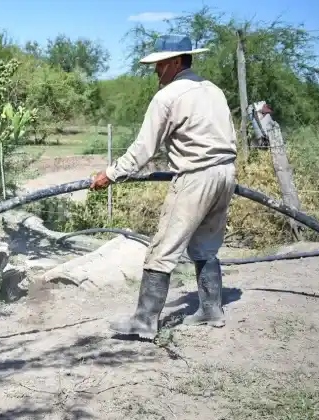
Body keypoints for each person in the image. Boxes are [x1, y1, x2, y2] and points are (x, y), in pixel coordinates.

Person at [90, 34, 238, 340]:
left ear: (173, 63)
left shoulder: (168, 97)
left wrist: (111, 174)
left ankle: (144, 321)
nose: (156, 71)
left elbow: (144, 149)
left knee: (162, 249)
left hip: (195, 176)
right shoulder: (213, 90)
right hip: (225, 173)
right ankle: (211, 310)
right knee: (206, 245)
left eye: (159, 65)